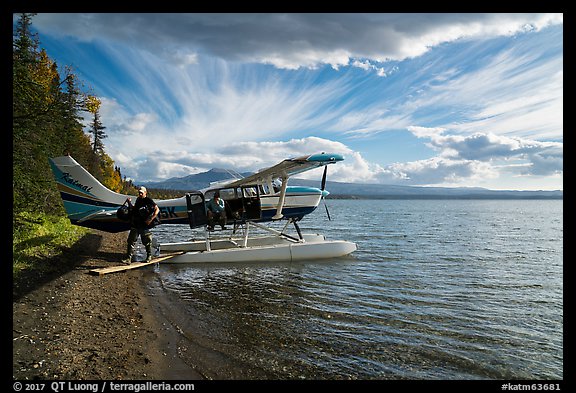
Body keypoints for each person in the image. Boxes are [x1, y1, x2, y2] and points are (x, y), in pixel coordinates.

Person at [122, 186, 160, 264]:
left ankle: (149, 256)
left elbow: (157, 209)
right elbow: (134, 209)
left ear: (145, 193)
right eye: (139, 193)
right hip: (136, 224)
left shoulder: (148, 200)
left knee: (147, 241)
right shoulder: (138, 199)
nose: (140, 194)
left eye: (141, 193)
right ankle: (128, 258)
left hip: (144, 225)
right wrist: (129, 202)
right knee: (131, 241)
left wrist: (151, 219)